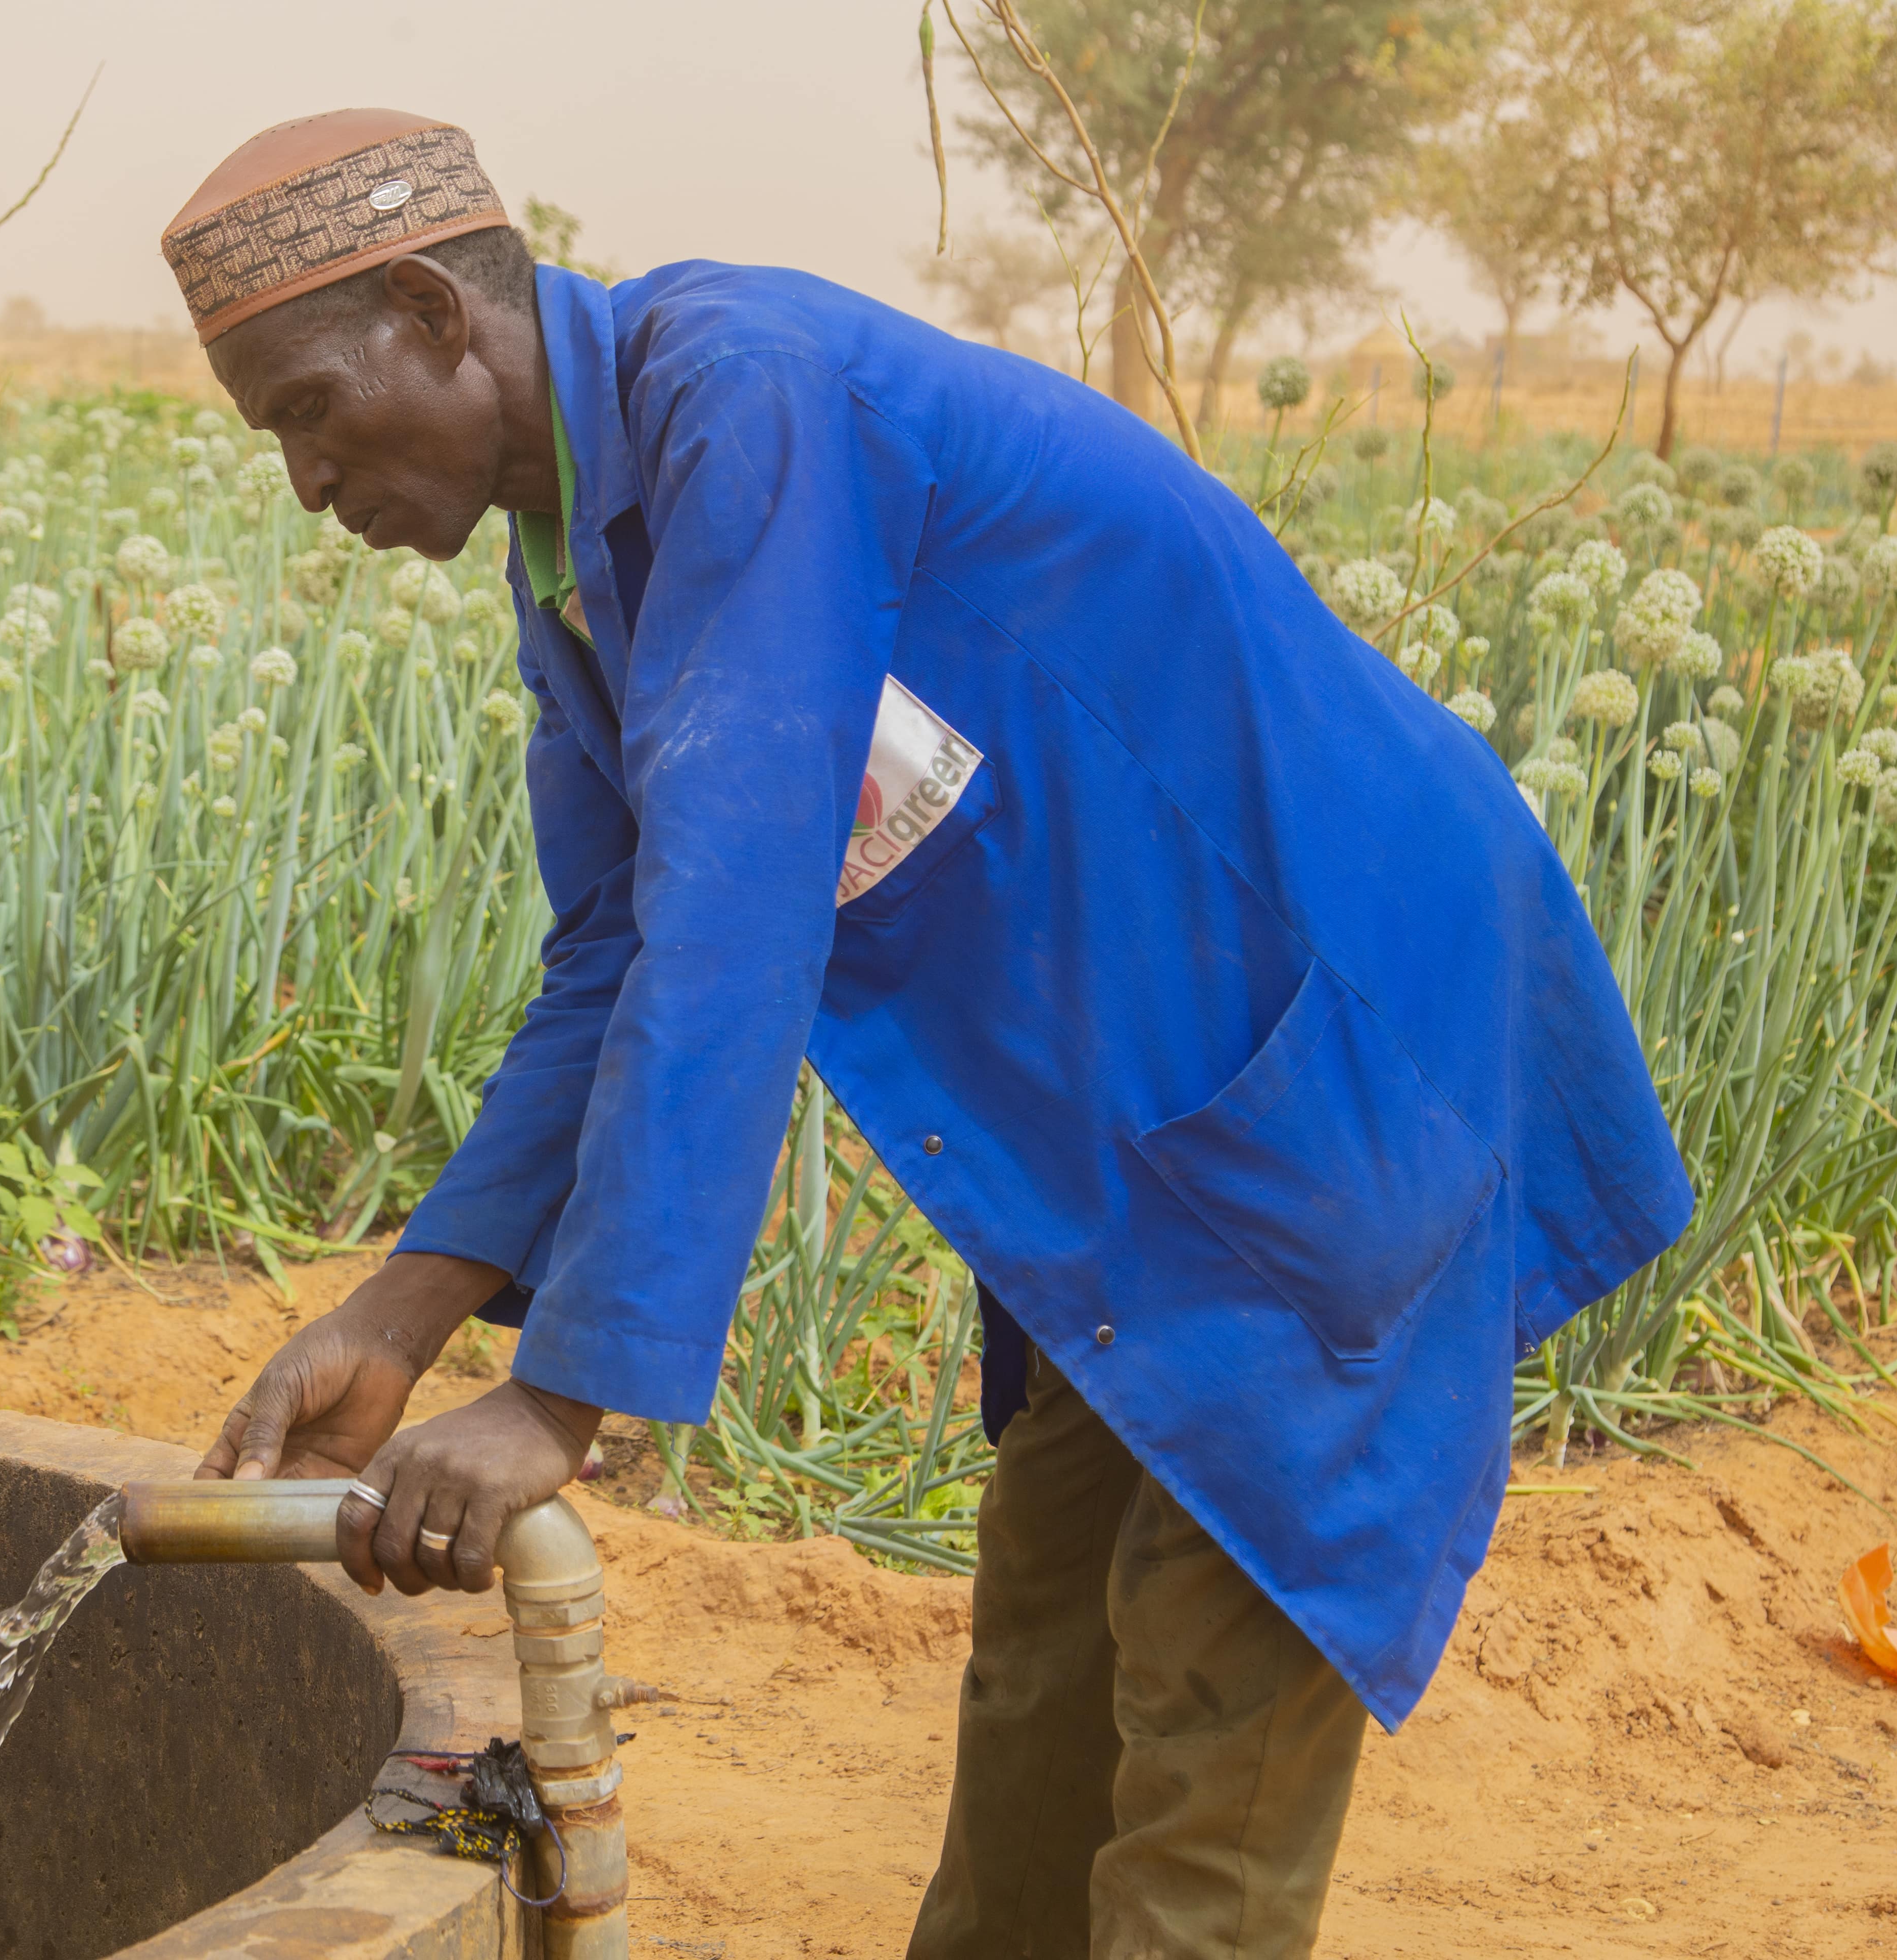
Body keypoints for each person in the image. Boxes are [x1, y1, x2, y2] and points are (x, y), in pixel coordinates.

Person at [161, 109, 1690, 1959]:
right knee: (1047, 1652)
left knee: (1212, 1732)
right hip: (1127, 1109)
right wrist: (399, 1316)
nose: (310, 479)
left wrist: (563, 1396)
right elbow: (619, 947)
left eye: (311, 411)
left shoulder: (746, 393)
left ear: (432, 310)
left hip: (1322, 1044)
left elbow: (733, 909)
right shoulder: (576, 551)